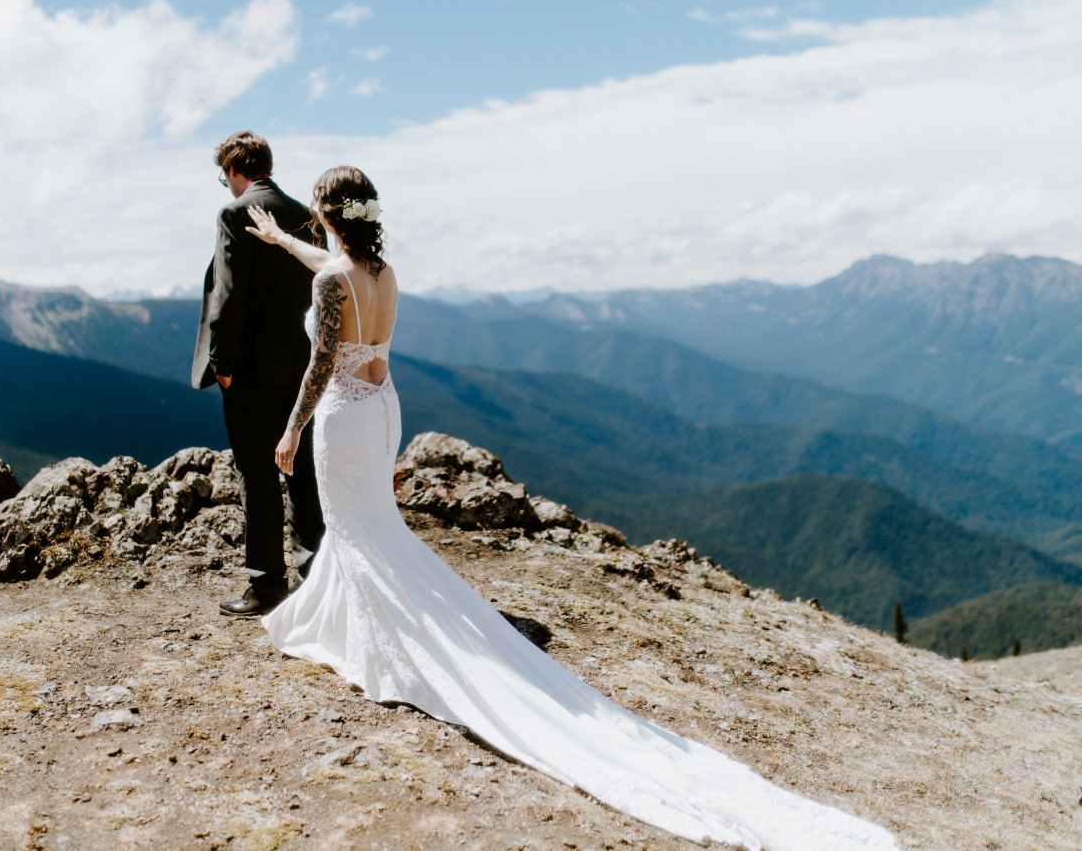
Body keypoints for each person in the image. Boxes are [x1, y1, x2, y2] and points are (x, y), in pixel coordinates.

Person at [243, 165, 902, 851]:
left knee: (356, 529)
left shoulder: (332, 283)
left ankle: (377, 643)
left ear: (323, 211)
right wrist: (283, 243)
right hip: (384, 409)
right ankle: (366, 625)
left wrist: (290, 429)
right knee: (377, 527)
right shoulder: (378, 273)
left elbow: (322, 359)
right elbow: (331, 268)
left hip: (345, 414)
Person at [190, 131, 325, 617]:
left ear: (233, 170)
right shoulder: (308, 218)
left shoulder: (234, 213)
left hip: (248, 371)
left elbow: (229, 297)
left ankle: (267, 586)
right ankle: (316, 580)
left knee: (258, 475)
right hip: (301, 363)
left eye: (222, 176)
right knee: (304, 472)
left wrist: (223, 367)